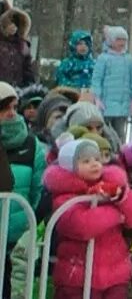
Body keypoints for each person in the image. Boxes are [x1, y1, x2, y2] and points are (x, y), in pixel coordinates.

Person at [44, 135, 132, 299]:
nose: (94, 164)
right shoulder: (64, 197)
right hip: (77, 276)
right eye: (85, 161)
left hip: (116, 275)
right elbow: (83, 226)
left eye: (97, 159)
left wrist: (121, 196)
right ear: (70, 166)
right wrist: (118, 213)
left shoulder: (113, 187)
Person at [0, 82, 46, 299]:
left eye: (13, 107)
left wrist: (27, 226)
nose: (10, 114)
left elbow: (38, 191)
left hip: (16, 241)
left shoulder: (31, 144)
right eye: (3, 108)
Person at [91, 26, 132, 139]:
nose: (121, 42)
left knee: (119, 132)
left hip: (123, 104)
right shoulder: (103, 58)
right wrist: (97, 97)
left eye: (124, 40)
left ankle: (119, 152)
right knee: (104, 131)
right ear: (111, 41)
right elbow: (97, 79)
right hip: (105, 104)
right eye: (118, 39)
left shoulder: (128, 59)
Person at [52, 101, 123, 154]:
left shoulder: (112, 157)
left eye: (98, 128)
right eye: (88, 128)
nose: (95, 133)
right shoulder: (55, 158)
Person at [0, 0, 35, 87]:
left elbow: (28, 69)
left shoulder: (23, 46)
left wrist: (30, 87)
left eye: (16, 24)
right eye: (10, 23)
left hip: (17, 89)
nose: (13, 27)